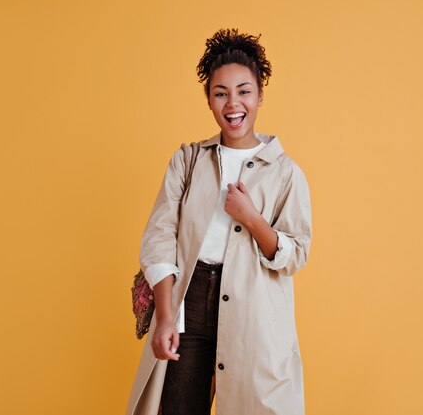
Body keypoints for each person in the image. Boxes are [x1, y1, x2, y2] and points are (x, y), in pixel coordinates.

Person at [125, 28, 312, 415]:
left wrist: (253, 219)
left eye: (244, 91)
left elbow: (295, 253)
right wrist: (164, 317)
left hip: (254, 311)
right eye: (220, 92)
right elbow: (160, 237)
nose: (233, 103)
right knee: (177, 407)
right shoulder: (188, 160)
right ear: (209, 100)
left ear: (260, 95)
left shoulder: (285, 172)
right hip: (187, 302)